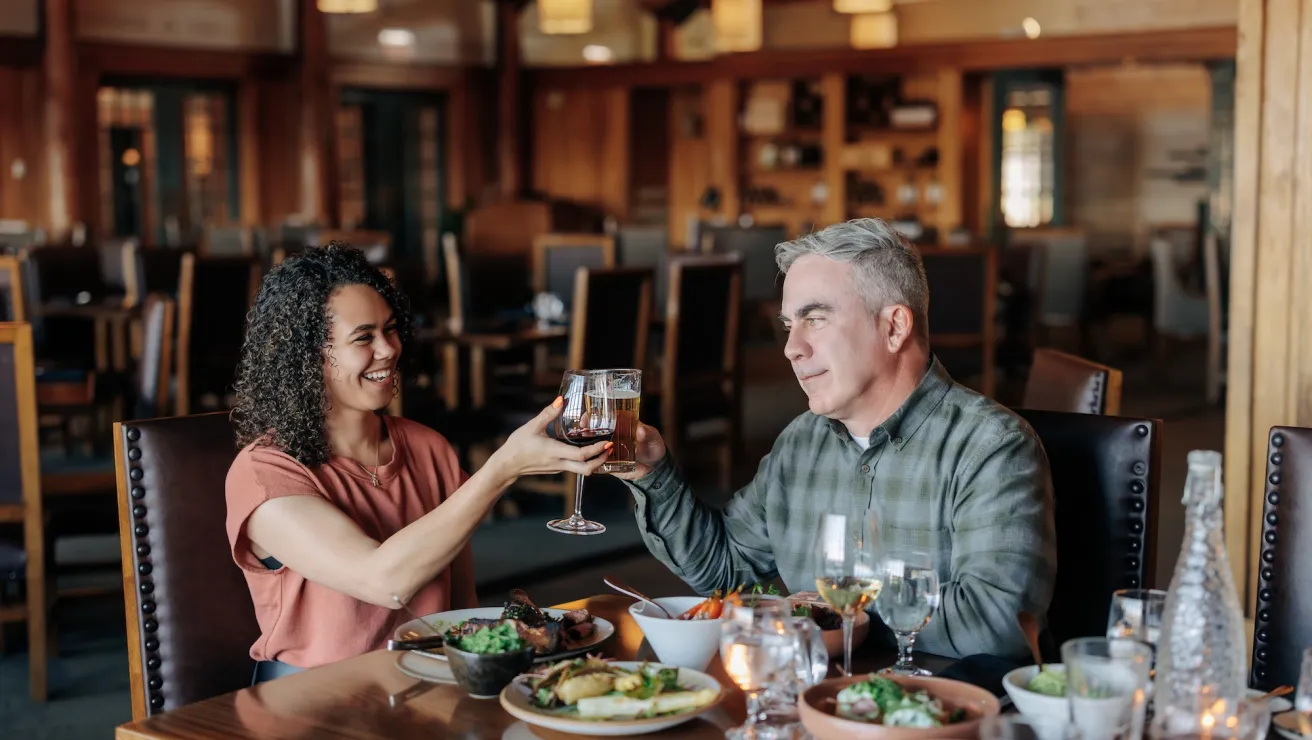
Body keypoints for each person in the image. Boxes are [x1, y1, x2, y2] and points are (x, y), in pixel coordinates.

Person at [616, 219, 1056, 660]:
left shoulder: (991, 446)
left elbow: (996, 622)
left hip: (930, 714)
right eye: (789, 324)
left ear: (894, 327)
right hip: (806, 703)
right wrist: (654, 475)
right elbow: (727, 569)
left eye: (816, 319)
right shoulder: (800, 444)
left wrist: (827, 612)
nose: (792, 347)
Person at [225, 244, 610, 682]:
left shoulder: (429, 448)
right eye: (363, 337)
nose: (389, 349)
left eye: (391, 330)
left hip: (426, 685)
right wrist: (503, 468)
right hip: (311, 699)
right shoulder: (265, 471)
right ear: (306, 357)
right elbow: (382, 581)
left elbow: (460, 605)